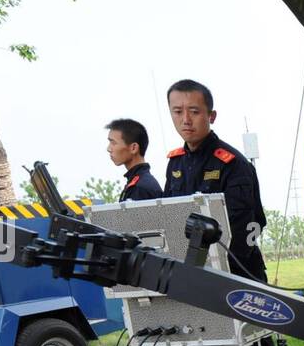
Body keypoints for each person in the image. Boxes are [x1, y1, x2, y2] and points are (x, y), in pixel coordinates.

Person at [163, 79, 267, 283]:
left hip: (236, 274)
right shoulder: (175, 164)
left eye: (194, 111)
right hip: (191, 273)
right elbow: (169, 217)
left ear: (212, 116)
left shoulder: (233, 164)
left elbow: (249, 225)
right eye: (177, 112)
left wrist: (222, 270)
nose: (185, 120)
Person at [106, 118, 163, 201]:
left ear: (133, 148)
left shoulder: (141, 187)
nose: (109, 149)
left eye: (113, 143)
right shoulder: (138, 182)